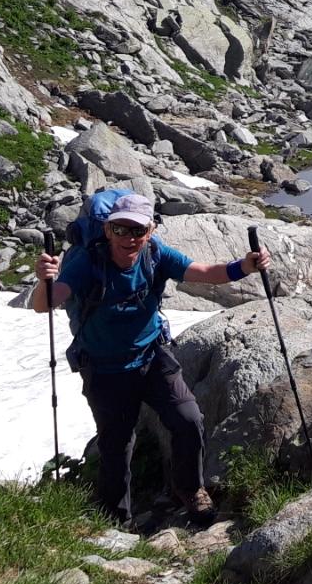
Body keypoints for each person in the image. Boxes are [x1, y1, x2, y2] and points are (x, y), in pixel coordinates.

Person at [32, 191, 269, 523]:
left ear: (150, 232)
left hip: (152, 357)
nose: (128, 238)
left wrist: (244, 267)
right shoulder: (89, 262)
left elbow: (203, 272)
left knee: (188, 419)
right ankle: (115, 519)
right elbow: (46, 303)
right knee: (116, 445)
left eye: (137, 231)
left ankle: (189, 488)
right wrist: (45, 279)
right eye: (119, 230)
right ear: (107, 230)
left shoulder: (156, 255)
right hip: (104, 369)